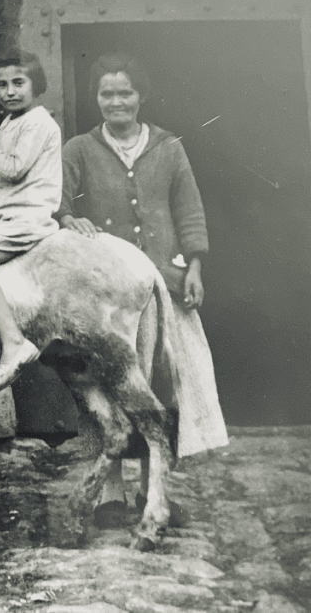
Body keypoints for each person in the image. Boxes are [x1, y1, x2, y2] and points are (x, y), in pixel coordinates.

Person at [57, 52, 228, 521]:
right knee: (108, 389)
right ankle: (111, 493)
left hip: (164, 288)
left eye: (125, 93)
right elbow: (58, 203)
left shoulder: (169, 147)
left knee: (164, 390)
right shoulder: (79, 148)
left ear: (141, 96)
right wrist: (70, 219)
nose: (116, 102)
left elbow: (189, 210)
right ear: (96, 98)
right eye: (106, 94)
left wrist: (194, 267)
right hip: (109, 297)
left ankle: (155, 491)